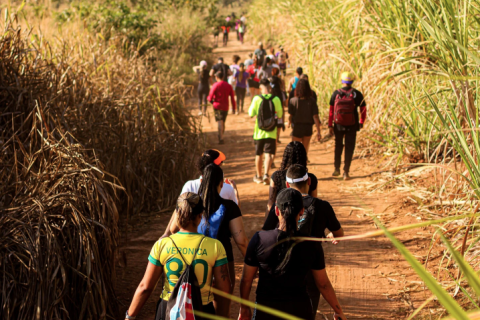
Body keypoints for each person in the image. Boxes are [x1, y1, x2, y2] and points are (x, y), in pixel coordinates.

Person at [238, 189, 347, 320]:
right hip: (300, 311)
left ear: (277, 211)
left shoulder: (260, 239)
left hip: (266, 311)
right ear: (302, 211)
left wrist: (244, 308)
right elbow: (323, 284)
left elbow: (246, 280)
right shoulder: (311, 244)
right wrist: (338, 310)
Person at [125, 193, 231, 320]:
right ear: (200, 216)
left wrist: (129, 316)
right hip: (202, 310)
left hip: (168, 310)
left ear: (176, 214)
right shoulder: (215, 246)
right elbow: (224, 289)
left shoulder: (162, 245)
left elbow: (145, 287)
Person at [263, 164, 344, 319]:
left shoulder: (280, 205)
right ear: (309, 182)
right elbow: (339, 234)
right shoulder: (323, 206)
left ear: (287, 185)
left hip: (282, 271)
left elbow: (266, 233)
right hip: (310, 272)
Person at [328, 72, 367, 180]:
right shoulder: (357, 94)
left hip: (338, 125)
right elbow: (363, 109)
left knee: (338, 146)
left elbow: (331, 111)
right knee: (349, 148)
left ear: (342, 81)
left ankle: (336, 169)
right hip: (352, 125)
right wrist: (361, 121)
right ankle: (346, 171)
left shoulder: (336, 93)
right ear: (352, 81)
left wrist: (330, 125)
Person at [265, 141, 318, 215]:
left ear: (285, 157)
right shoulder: (310, 178)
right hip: (305, 220)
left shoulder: (277, 176)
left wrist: (267, 224)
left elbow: (271, 202)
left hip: (282, 220)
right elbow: (314, 204)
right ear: (304, 156)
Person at [248, 78, 283, 185]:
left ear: (261, 88)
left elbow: (250, 113)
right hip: (272, 132)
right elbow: (280, 115)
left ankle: (258, 176)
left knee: (258, 154)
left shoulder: (256, 99)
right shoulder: (276, 99)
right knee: (268, 154)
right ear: (269, 87)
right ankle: (266, 175)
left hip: (259, 132)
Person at [288, 79, 322, 155]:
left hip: (297, 127)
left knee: (295, 151)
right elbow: (315, 117)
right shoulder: (312, 101)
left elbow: (291, 115)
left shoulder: (293, 100)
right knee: (304, 151)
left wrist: (289, 122)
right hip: (308, 128)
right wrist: (318, 131)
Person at [207, 71, 236, 144]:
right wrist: (234, 108)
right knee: (223, 121)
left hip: (217, 106)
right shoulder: (228, 86)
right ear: (223, 77)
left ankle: (221, 137)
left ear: (216, 77)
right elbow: (232, 98)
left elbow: (210, 97)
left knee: (220, 121)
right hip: (225, 107)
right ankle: (221, 135)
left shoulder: (215, 85)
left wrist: (211, 101)